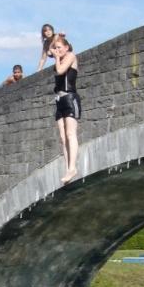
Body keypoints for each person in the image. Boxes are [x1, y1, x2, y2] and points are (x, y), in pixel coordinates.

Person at [52, 36, 80, 184]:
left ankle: (72, 168)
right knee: (63, 139)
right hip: (59, 100)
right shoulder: (59, 57)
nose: (57, 50)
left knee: (70, 133)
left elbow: (62, 70)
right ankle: (68, 168)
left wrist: (56, 57)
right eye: (55, 48)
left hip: (70, 98)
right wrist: (56, 38)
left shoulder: (70, 56)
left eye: (59, 47)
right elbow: (50, 47)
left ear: (66, 47)